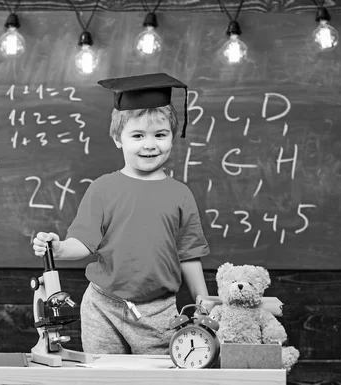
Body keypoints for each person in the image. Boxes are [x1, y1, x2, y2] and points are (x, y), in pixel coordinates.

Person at [32, 73, 211, 355]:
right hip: (103, 306)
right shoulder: (103, 189)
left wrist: (203, 300)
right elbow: (83, 242)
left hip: (159, 311)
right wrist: (58, 248)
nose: (149, 144)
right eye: (137, 135)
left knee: (157, 378)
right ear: (118, 138)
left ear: (173, 137)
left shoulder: (181, 194)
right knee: (105, 377)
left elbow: (189, 253)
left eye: (160, 135)